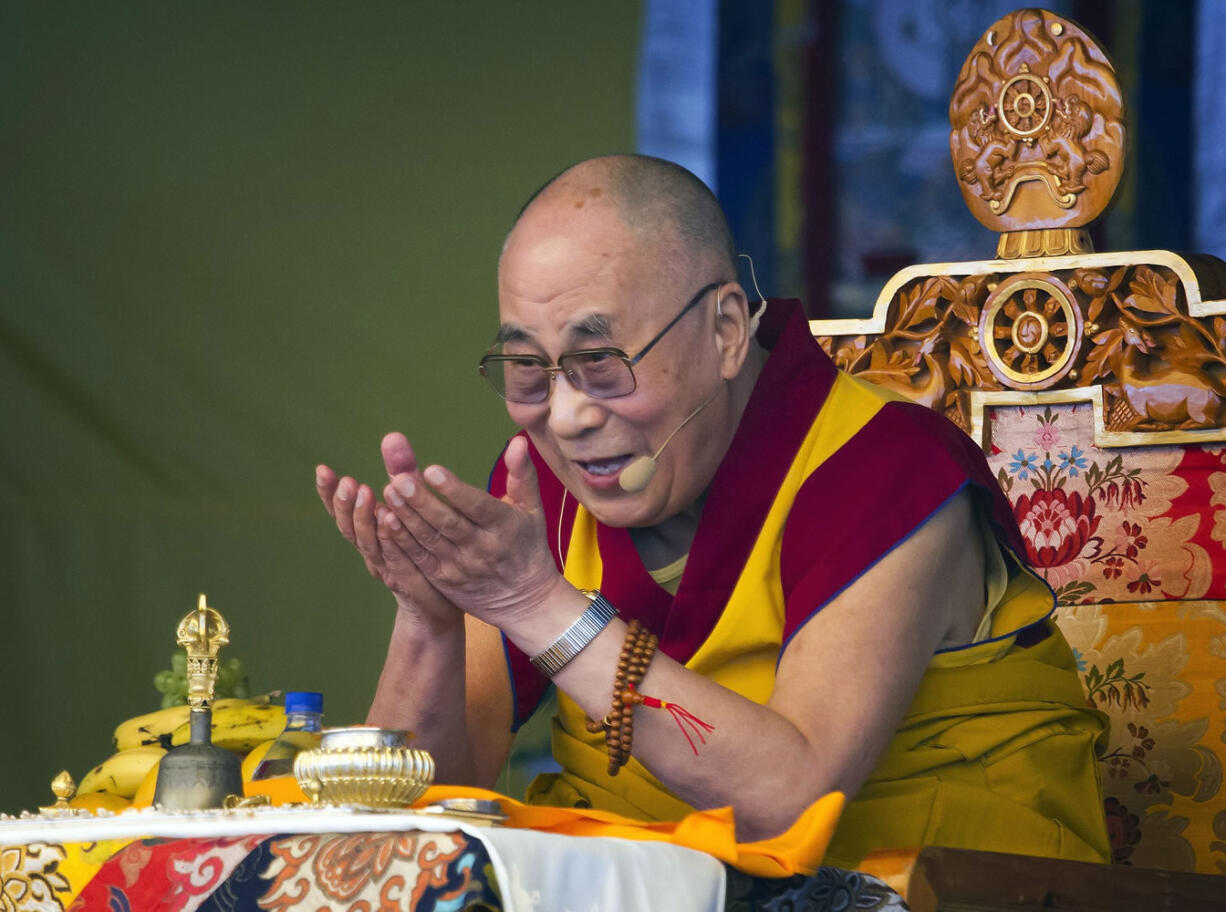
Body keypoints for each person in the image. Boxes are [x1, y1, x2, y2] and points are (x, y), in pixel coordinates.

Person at [315, 154, 1109, 870]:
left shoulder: (884, 469)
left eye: (600, 363)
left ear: (727, 331)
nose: (564, 417)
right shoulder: (544, 494)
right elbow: (420, 811)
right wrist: (429, 624)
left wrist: (535, 605)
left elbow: (792, 802)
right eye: (528, 371)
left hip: (950, 889)